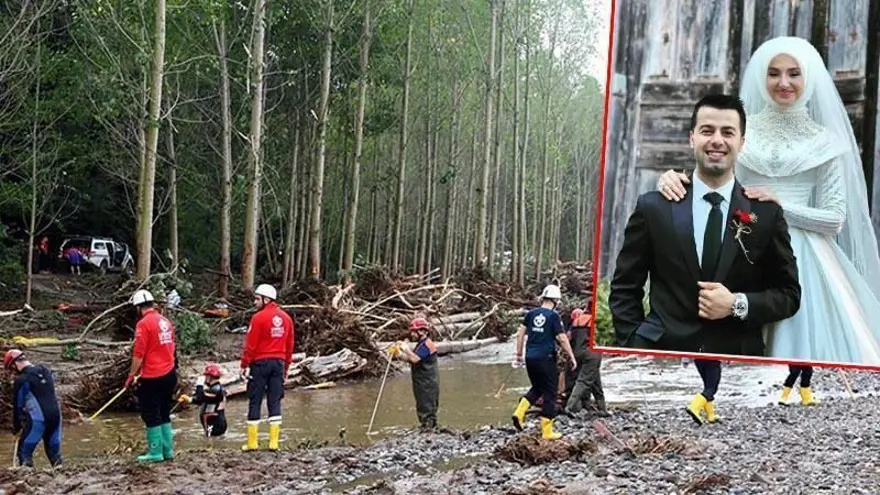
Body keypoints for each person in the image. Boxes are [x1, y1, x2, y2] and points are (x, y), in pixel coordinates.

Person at [654, 37, 880, 365]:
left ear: (809, 78)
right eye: (774, 73)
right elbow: (711, 177)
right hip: (744, 243)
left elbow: (834, 218)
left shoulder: (826, 142)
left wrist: (779, 208)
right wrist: (671, 179)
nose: (783, 83)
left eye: (793, 73)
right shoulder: (741, 132)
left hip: (807, 258)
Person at [609, 93, 801, 356]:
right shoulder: (654, 207)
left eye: (728, 132)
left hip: (737, 363)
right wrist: (634, 346)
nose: (717, 140)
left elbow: (789, 294)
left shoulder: (766, 214)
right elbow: (624, 287)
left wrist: (736, 303)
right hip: (660, 357)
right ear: (692, 138)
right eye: (707, 130)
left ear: (742, 142)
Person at [511, 285, 577, 440]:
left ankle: (519, 413)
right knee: (550, 392)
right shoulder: (553, 316)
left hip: (530, 358)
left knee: (537, 388)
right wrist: (572, 357)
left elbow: (520, 334)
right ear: (556, 301)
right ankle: (547, 431)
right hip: (546, 358)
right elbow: (562, 338)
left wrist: (519, 355)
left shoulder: (530, 314)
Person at [239, 283, 294, 452]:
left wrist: (244, 364)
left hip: (260, 363)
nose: (254, 302)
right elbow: (290, 346)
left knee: (255, 400)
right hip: (278, 363)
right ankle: (274, 443)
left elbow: (251, 345)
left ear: (266, 299)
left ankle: (252, 443)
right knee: (274, 401)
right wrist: (286, 368)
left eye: (257, 299)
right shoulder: (286, 318)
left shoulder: (258, 318)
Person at [127, 289, 177, 462]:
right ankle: (167, 450)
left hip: (153, 376)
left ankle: (155, 452)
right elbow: (171, 348)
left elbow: (138, 354)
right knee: (164, 411)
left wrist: (131, 375)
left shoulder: (143, 324)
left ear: (138, 307)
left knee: (150, 412)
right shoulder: (165, 321)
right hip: (170, 373)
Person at [5, 350, 62, 468]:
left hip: (38, 420)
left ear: (15, 364)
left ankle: (27, 480)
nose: (13, 372)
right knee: (55, 456)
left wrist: (17, 428)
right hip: (56, 417)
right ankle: (63, 478)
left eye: (11, 368)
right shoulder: (45, 370)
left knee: (24, 452)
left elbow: (18, 407)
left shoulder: (21, 380)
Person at [391, 317, 440, 430]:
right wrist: (398, 354)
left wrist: (405, 348)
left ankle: (429, 427)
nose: (412, 334)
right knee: (421, 404)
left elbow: (415, 359)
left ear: (423, 331)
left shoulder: (428, 345)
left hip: (428, 383)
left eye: (414, 331)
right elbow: (410, 359)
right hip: (421, 382)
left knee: (427, 405)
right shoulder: (421, 345)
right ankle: (425, 426)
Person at [563, 309, 609, 417]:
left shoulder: (577, 320)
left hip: (577, 353)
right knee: (584, 381)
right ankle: (569, 407)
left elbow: (568, 337)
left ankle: (602, 408)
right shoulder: (595, 320)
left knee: (595, 380)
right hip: (592, 354)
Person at [178, 363, 228, 437]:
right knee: (215, 439)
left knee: (211, 441)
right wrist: (189, 399)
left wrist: (199, 385)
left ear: (210, 377)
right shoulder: (215, 388)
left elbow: (200, 398)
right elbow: (202, 400)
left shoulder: (215, 389)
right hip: (213, 421)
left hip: (214, 422)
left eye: (206, 376)